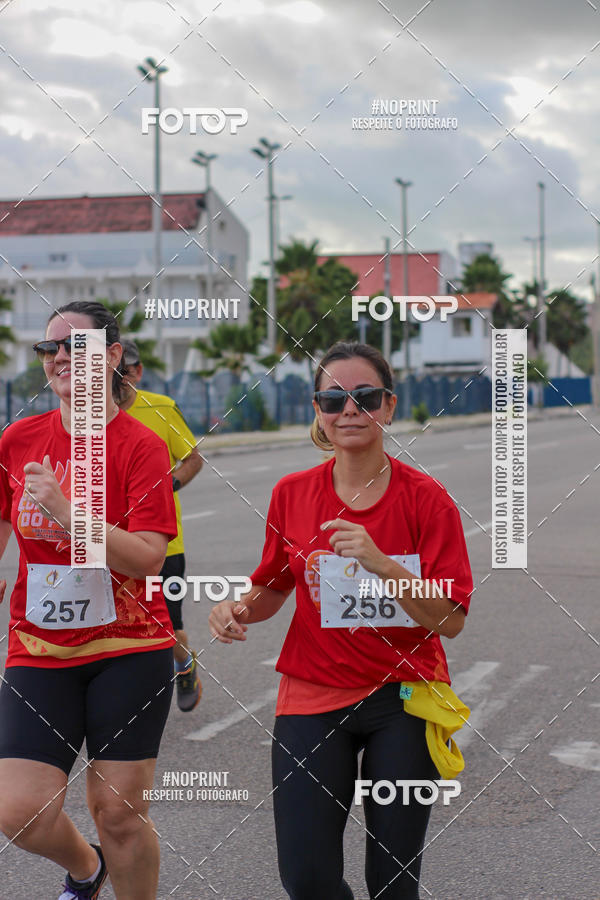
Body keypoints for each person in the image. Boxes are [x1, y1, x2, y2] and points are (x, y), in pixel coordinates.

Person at [209, 341, 473, 900]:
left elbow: (449, 619)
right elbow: (273, 585)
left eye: (364, 396)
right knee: (306, 878)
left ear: (389, 406)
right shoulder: (292, 494)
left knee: (394, 879)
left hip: (403, 697)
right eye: (333, 399)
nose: (348, 410)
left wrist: (379, 563)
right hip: (312, 694)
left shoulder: (428, 500)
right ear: (318, 411)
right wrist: (236, 607)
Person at [0, 301, 178, 899]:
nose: (57, 358)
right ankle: (86, 869)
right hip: (39, 647)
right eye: (49, 348)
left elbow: (149, 556)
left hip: (128, 649)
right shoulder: (20, 439)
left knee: (120, 815)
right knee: (19, 810)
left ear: (110, 357)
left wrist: (69, 515)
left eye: (74, 346)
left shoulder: (140, 445)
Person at [118, 339, 204, 712]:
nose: (124, 376)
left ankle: (183, 664)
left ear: (138, 372)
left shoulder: (161, 408)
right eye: (119, 369)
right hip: (110, 543)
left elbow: (193, 458)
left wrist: (170, 484)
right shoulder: (88, 414)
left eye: (130, 369)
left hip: (164, 544)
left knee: (167, 624)